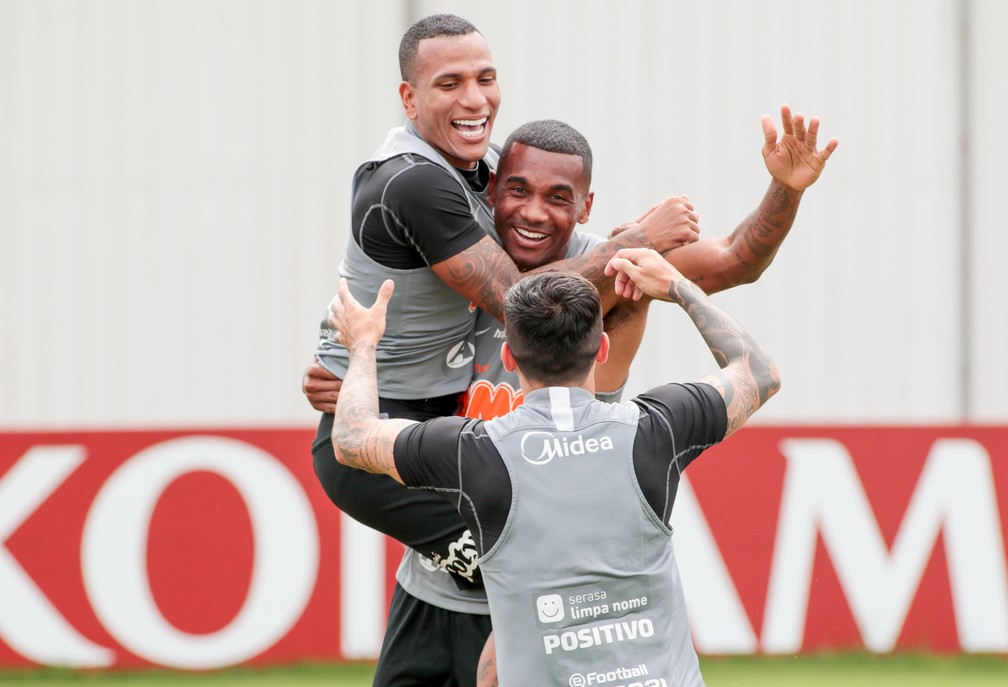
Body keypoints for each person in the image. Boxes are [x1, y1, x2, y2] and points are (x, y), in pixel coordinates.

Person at [308, 105, 835, 685]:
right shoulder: (455, 256)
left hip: (551, 608)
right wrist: (354, 374)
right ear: (489, 194)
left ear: (585, 206)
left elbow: (737, 257)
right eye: (517, 190)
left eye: (558, 197)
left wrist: (784, 190)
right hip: (433, 595)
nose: (533, 212)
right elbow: (387, 332)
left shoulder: (618, 266)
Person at [312, 14, 701, 686]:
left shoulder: (491, 174)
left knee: (521, 555)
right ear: (408, 100)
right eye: (449, 83)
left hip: (420, 432)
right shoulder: (416, 181)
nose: (474, 98)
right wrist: (636, 236)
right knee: (537, 558)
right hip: (382, 436)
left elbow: (724, 263)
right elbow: (516, 300)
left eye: (486, 78)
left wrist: (783, 194)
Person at [326, 250, 781, 686]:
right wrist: (677, 287)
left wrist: (363, 346)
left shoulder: (474, 452)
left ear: (509, 358)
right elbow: (759, 372)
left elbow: (350, 439)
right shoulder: (655, 427)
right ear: (602, 348)